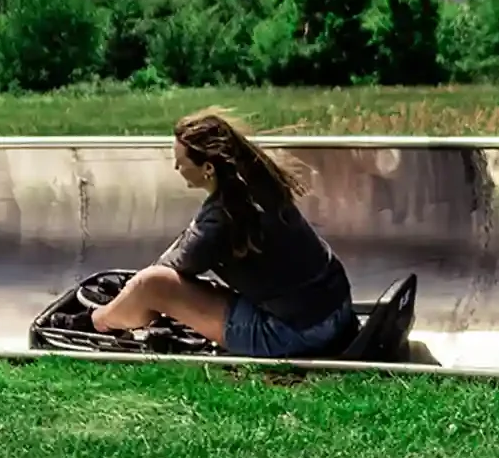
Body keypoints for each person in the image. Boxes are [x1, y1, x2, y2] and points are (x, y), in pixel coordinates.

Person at [90, 107, 357, 357]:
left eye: (180, 162)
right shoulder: (259, 183)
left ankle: (97, 322)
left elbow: (168, 272)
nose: (176, 168)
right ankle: (113, 311)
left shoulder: (223, 218)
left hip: (296, 333)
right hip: (336, 311)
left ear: (208, 168)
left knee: (151, 284)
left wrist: (132, 292)